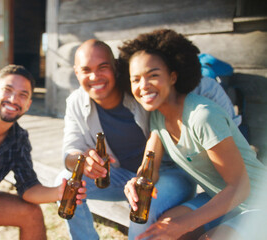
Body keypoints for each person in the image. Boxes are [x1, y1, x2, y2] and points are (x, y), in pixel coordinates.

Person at [55, 39, 242, 240]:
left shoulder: (141, 91)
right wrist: (82, 159)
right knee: (65, 183)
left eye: (103, 67)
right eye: (86, 70)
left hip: (169, 174)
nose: (95, 76)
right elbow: (71, 147)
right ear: (76, 72)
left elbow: (196, 86)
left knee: (143, 206)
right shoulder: (76, 101)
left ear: (116, 67)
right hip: (122, 175)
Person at [121, 29, 267, 239]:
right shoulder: (158, 116)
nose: (143, 86)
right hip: (216, 197)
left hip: (257, 202)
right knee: (160, 233)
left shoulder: (202, 117)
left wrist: (187, 224)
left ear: (173, 76)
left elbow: (240, 186)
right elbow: (149, 168)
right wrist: (136, 182)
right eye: (136, 79)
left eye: (153, 75)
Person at [0, 64, 87, 240]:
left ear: (28, 105)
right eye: (7, 90)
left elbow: (28, 188)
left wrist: (59, 192)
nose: (13, 99)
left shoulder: (19, 138)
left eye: (22, 95)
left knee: (31, 213)